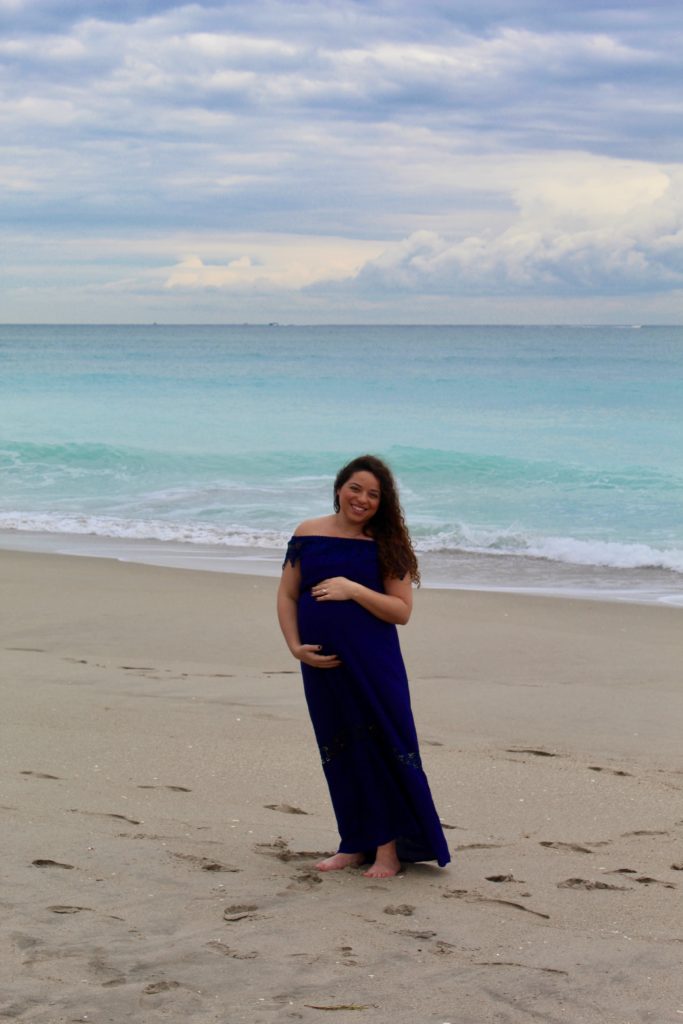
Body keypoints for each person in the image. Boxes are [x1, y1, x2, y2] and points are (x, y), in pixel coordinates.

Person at [277, 454, 450, 878]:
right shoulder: (307, 532)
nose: (362, 499)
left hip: (373, 664)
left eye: (374, 494)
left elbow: (401, 611)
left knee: (378, 748)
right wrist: (295, 647)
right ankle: (354, 842)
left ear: (382, 502)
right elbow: (286, 595)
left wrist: (353, 589)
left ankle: (388, 850)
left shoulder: (386, 543)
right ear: (339, 487)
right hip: (322, 663)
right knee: (337, 749)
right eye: (356, 488)